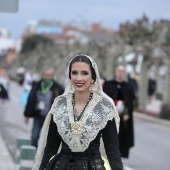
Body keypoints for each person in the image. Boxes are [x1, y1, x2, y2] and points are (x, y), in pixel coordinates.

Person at [32, 55, 123, 170]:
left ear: (93, 77)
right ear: (69, 76)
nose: (78, 78)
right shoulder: (59, 104)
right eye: (74, 73)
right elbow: (51, 146)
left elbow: (112, 149)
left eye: (84, 73)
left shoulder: (104, 106)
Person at [23, 69, 64, 147]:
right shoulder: (36, 86)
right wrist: (27, 114)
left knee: (48, 138)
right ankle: (33, 151)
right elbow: (30, 99)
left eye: (49, 75)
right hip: (38, 115)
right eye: (46, 75)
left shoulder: (58, 88)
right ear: (42, 75)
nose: (47, 77)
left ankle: (43, 155)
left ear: (52, 76)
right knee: (34, 136)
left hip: (50, 118)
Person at [103, 65, 135, 158]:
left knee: (121, 136)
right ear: (115, 72)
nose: (120, 73)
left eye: (122, 71)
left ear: (124, 73)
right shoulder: (108, 84)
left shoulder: (128, 87)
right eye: (119, 70)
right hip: (110, 116)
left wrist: (127, 113)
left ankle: (118, 156)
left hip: (122, 117)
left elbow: (130, 103)